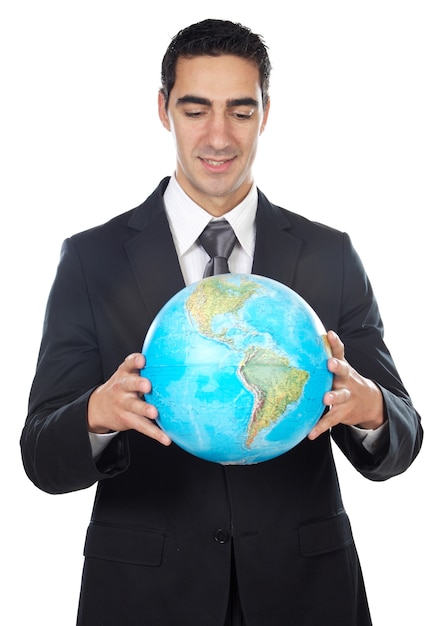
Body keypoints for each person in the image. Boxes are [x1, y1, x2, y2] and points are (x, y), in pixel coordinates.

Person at [20, 18, 423, 626]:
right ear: (163, 110)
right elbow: (40, 457)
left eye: (240, 110)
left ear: (266, 112)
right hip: (144, 599)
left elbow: (402, 440)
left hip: (306, 595)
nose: (218, 135)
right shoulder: (92, 259)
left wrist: (368, 409)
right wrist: (96, 417)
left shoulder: (329, 254)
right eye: (195, 109)